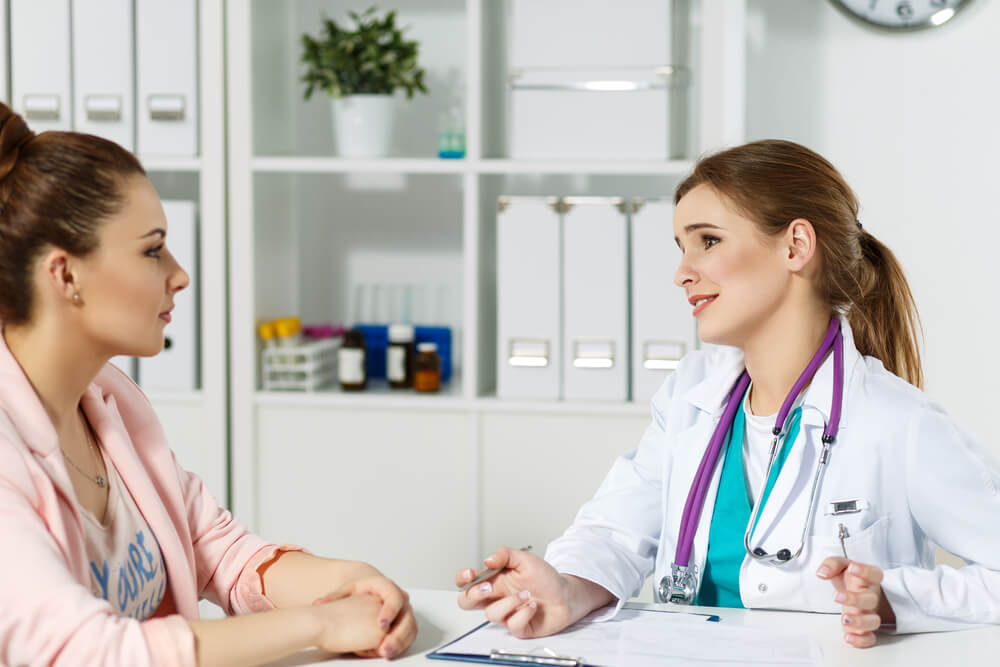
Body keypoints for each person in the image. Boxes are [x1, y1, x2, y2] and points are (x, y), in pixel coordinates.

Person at [456, 139, 1000, 648]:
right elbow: (616, 532)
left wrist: (892, 600)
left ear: (796, 245)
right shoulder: (691, 396)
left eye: (708, 241)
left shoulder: (896, 421)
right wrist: (566, 591)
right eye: (681, 247)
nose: (681, 273)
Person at [0, 103, 417, 666]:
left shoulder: (109, 401)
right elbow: (88, 651)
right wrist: (320, 621)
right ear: (66, 274)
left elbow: (214, 549)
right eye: (152, 249)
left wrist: (353, 584)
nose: (180, 274)